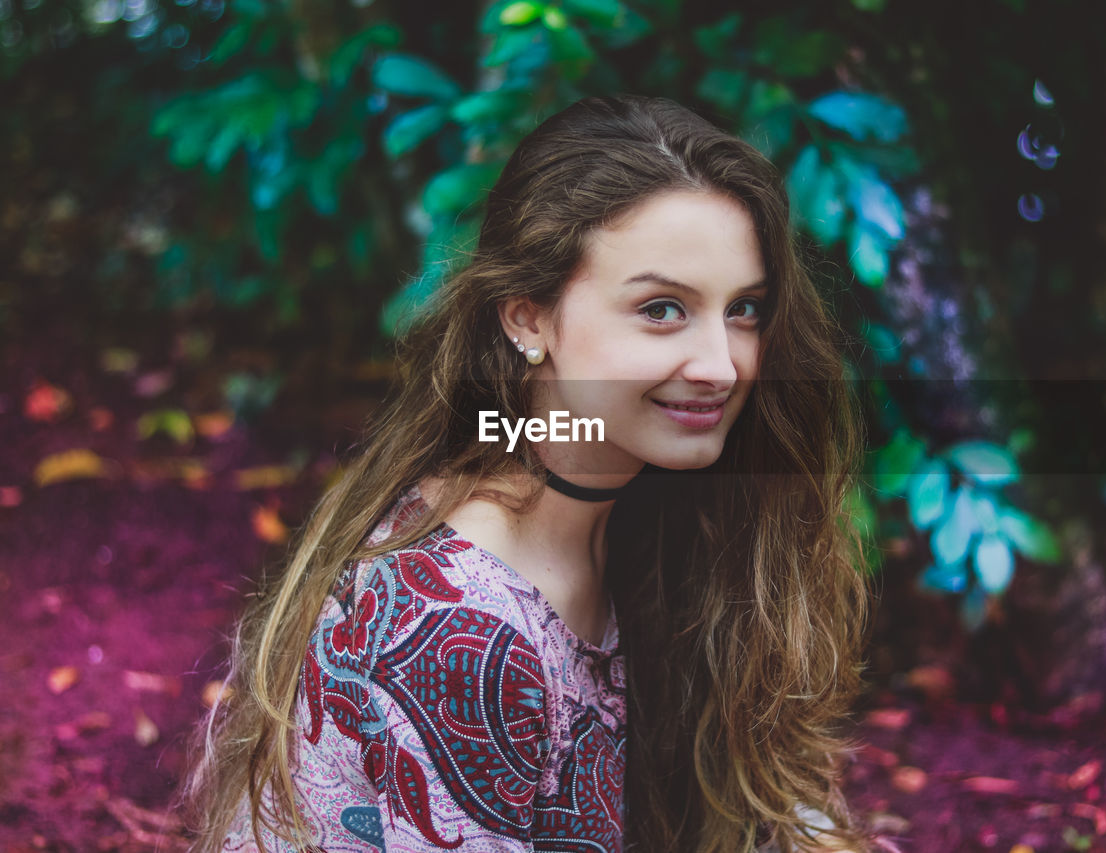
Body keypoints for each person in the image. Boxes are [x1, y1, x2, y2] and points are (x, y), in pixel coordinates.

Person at [182, 94, 873, 853]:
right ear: (526, 319)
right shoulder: (463, 624)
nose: (720, 364)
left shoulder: (632, 504)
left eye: (744, 309)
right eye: (662, 309)